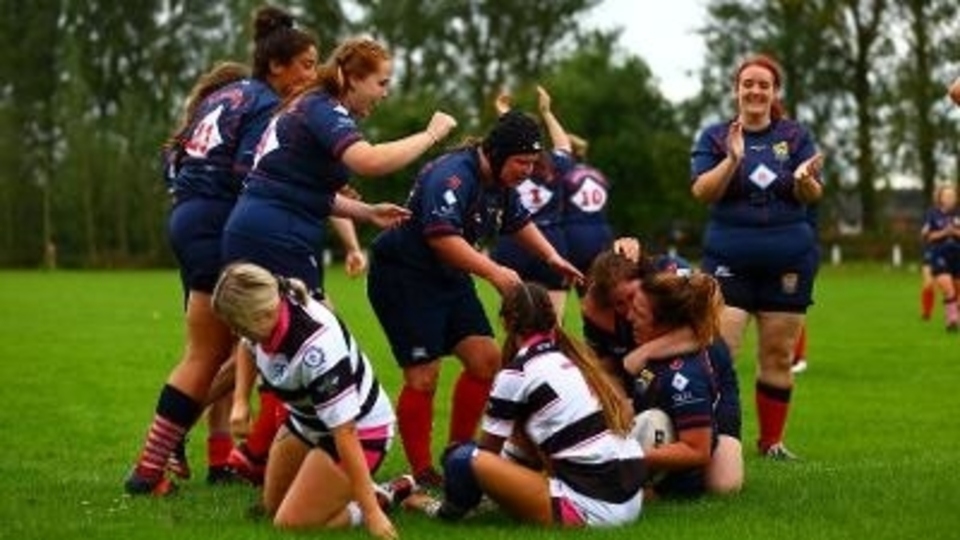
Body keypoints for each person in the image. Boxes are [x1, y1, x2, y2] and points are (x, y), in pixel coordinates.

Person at [125, 6, 320, 496]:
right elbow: (251, 174)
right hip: (219, 221)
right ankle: (167, 462)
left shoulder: (228, 93)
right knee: (243, 344)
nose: (311, 77)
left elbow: (184, 157)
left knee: (221, 349)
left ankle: (167, 461)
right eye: (305, 66)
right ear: (276, 65)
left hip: (189, 214)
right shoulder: (265, 104)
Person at [366, 110, 584, 489]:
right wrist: (494, 271)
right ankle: (421, 471)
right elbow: (441, 236)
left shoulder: (500, 180)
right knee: (423, 376)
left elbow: (517, 221)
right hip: (404, 276)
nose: (527, 171)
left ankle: (459, 453)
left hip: (449, 275)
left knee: (485, 361)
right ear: (497, 152)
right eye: (522, 162)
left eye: (533, 162)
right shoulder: (453, 175)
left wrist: (551, 257)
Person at [221, 35, 457, 296]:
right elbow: (370, 161)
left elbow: (305, 191)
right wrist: (430, 135)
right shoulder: (321, 106)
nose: (385, 93)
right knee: (319, 335)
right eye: (381, 83)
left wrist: (367, 212)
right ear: (354, 78)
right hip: (275, 234)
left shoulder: (315, 103)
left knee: (291, 333)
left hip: (264, 229)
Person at [406, 282, 644, 526]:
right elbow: (522, 446)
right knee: (520, 440)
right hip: (630, 500)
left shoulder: (517, 373)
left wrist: (461, 461)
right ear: (552, 319)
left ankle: (440, 510)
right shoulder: (573, 359)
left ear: (507, 323)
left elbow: (486, 453)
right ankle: (489, 498)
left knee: (461, 458)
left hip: (593, 508)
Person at [691, 53, 823, 460]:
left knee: (779, 355)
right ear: (736, 89)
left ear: (774, 92)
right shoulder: (715, 137)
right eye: (748, 83)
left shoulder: (795, 137)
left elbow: (813, 194)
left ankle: (771, 444)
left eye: (763, 84)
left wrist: (804, 183)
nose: (755, 90)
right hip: (728, 260)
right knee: (719, 353)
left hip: (789, 261)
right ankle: (715, 441)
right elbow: (702, 192)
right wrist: (732, 159)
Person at [211, 263, 399, 537]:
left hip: (359, 432)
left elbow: (344, 432)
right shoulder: (266, 310)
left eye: (238, 325)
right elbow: (246, 346)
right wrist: (240, 401)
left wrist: (371, 515)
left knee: (292, 523)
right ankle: (356, 492)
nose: (235, 331)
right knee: (272, 507)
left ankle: (384, 497)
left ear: (263, 315)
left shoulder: (316, 347)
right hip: (306, 422)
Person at [584, 241, 743, 495]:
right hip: (651, 382)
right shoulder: (596, 308)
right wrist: (618, 404)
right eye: (618, 304)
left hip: (706, 385)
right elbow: (605, 367)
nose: (626, 313)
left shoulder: (669, 277)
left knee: (723, 485)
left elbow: (707, 327)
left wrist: (646, 352)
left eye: (632, 300)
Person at [617, 270, 729, 498]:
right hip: (646, 469)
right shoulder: (655, 361)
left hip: (673, 484)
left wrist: (631, 456)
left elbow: (697, 451)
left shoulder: (685, 379)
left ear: (666, 323)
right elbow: (638, 405)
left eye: (639, 313)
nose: (629, 318)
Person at [490, 86, 575, 319]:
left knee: (516, 322)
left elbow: (508, 139)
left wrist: (503, 112)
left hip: (513, 243)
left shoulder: (507, 164)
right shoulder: (555, 164)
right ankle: (550, 355)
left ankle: (518, 355)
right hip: (551, 241)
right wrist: (547, 112)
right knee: (553, 324)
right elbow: (565, 146)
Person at [562, 133, 615, 296]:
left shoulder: (563, 175)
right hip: (602, 234)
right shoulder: (598, 175)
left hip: (574, 234)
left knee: (558, 290)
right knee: (595, 294)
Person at [920, 184, 960, 331]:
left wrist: (955, 232)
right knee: (947, 288)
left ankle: (955, 315)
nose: (950, 198)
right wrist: (944, 232)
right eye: (947, 196)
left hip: (957, 254)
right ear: (941, 198)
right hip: (939, 254)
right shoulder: (932, 214)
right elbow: (928, 236)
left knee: (957, 291)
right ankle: (951, 321)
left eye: (953, 196)